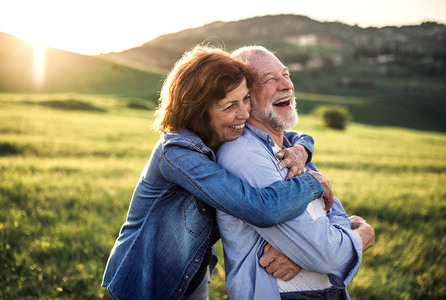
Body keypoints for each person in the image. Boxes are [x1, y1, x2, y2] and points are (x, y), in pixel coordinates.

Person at [101, 45, 335, 300]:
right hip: (147, 283)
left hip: (193, 276)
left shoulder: (219, 133)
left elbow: (289, 135)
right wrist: (313, 183)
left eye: (245, 98)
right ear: (199, 111)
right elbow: (259, 208)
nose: (245, 113)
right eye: (229, 106)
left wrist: (302, 149)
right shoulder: (177, 154)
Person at [216, 46, 375, 300]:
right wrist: (364, 235)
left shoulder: (294, 151)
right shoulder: (242, 154)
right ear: (246, 97)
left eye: (286, 74)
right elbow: (325, 254)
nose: (286, 85)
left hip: (331, 292)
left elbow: (335, 217)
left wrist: (306, 255)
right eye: (269, 79)